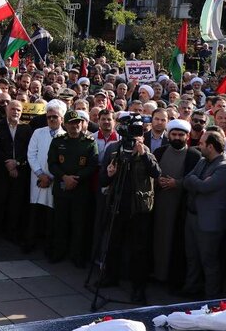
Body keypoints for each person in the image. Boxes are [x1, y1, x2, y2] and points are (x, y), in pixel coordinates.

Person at [100, 113, 161, 304]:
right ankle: (111, 277)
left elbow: (156, 173)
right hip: (118, 205)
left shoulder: (146, 152)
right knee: (113, 242)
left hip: (139, 209)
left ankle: (138, 287)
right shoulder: (114, 150)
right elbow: (103, 179)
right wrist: (109, 174)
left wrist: (143, 154)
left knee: (139, 250)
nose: (134, 137)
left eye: (138, 132)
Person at [181, 129, 226, 298]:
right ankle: (191, 289)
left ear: (211, 147)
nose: (199, 145)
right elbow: (187, 180)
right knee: (192, 258)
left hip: (209, 223)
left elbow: (203, 187)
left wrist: (196, 182)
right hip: (192, 218)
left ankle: (210, 299)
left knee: (209, 262)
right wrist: (196, 181)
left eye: (202, 143)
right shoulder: (203, 161)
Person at [152, 119, 202, 289]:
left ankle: (173, 279)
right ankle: (157, 274)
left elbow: (195, 179)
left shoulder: (194, 156)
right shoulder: (159, 152)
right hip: (159, 205)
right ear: (168, 134)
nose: (177, 137)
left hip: (181, 207)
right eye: (174, 134)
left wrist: (177, 183)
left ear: (187, 136)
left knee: (177, 242)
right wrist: (157, 181)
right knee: (158, 239)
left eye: (181, 135)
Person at [47, 110, 98, 267]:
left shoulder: (89, 142)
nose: (74, 125)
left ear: (82, 124)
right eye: (71, 123)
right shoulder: (58, 141)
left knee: (79, 224)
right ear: (65, 124)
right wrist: (64, 177)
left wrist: (76, 179)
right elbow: (52, 163)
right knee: (60, 222)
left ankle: (77, 255)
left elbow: (92, 165)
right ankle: (59, 252)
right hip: (62, 188)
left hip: (80, 190)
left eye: (78, 122)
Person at [25, 100, 66, 255]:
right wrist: (40, 174)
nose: (51, 120)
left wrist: (51, 177)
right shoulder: (38, 132)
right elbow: (31, 154)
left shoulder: (65, 136)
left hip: (54, 181)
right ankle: (30, 243)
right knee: (34, 213)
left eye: (55, 117)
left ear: (61, 118)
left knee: (51, 215)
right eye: (49, 117)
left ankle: (49, 247)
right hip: (38, 179)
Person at [0, 99, 32, 247]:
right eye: (13, 109)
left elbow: (29, 150)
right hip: (1, 171)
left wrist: (17, 164)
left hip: (19, 172)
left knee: (15, 203)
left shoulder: (26, 129)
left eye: (18, 110)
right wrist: (8, 163)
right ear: (7, 109)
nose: (15, 112)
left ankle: (11, 232)